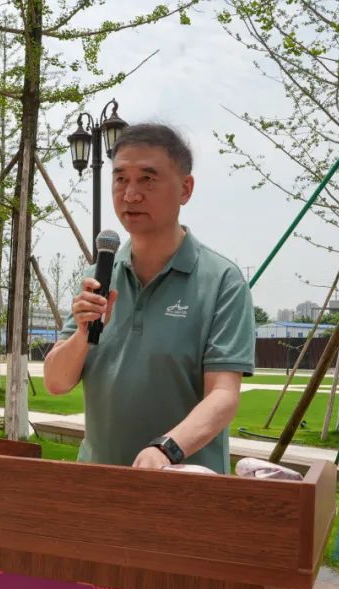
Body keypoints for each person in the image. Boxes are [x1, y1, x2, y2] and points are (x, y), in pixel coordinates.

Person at [43, 124, 255, 473]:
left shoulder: (221, 281)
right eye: (120, 179)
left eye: (147, 179)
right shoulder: (100, 276)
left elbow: (223, 394)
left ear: (185, 188)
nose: (130, 195)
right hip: (99, 483)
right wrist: (82, 334)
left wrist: (166, 449)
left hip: (183, 487)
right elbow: (56, 382)